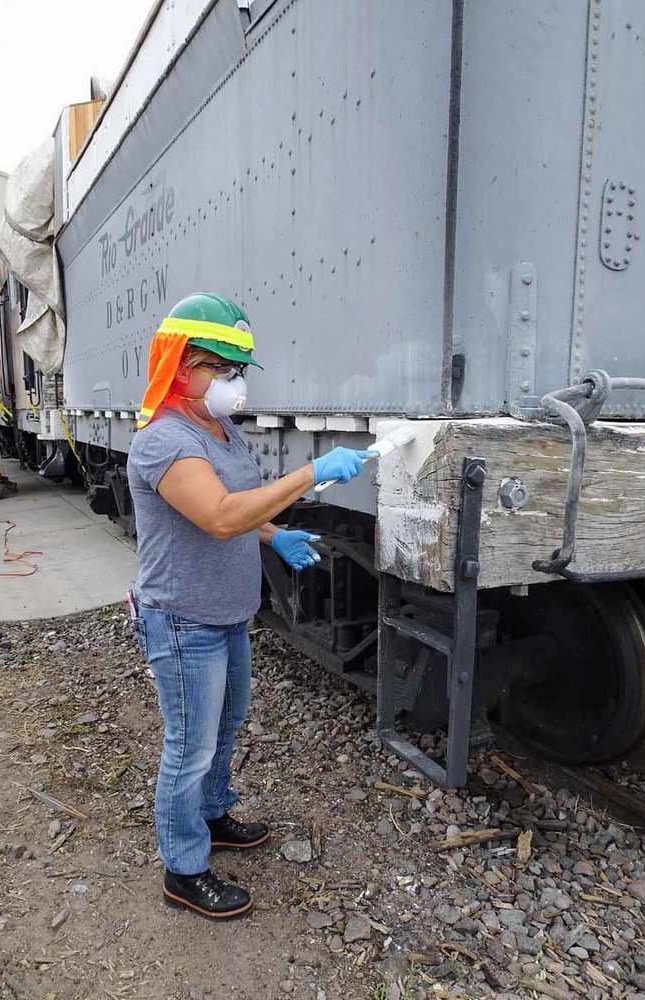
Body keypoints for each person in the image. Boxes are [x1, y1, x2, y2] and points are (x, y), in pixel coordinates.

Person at [127, 293, 370, 920]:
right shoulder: (163, 440)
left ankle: (212, 814)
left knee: (224, 726)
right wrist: (312, 473)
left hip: (228, 613)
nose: (236, 383)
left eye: (238, 370)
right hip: (185, 620)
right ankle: (184, 869)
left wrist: (273, 534)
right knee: (189, 745)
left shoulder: (218, 428)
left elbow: (240, 504)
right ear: (184, 366)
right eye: (224, 369)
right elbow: (217, 514)